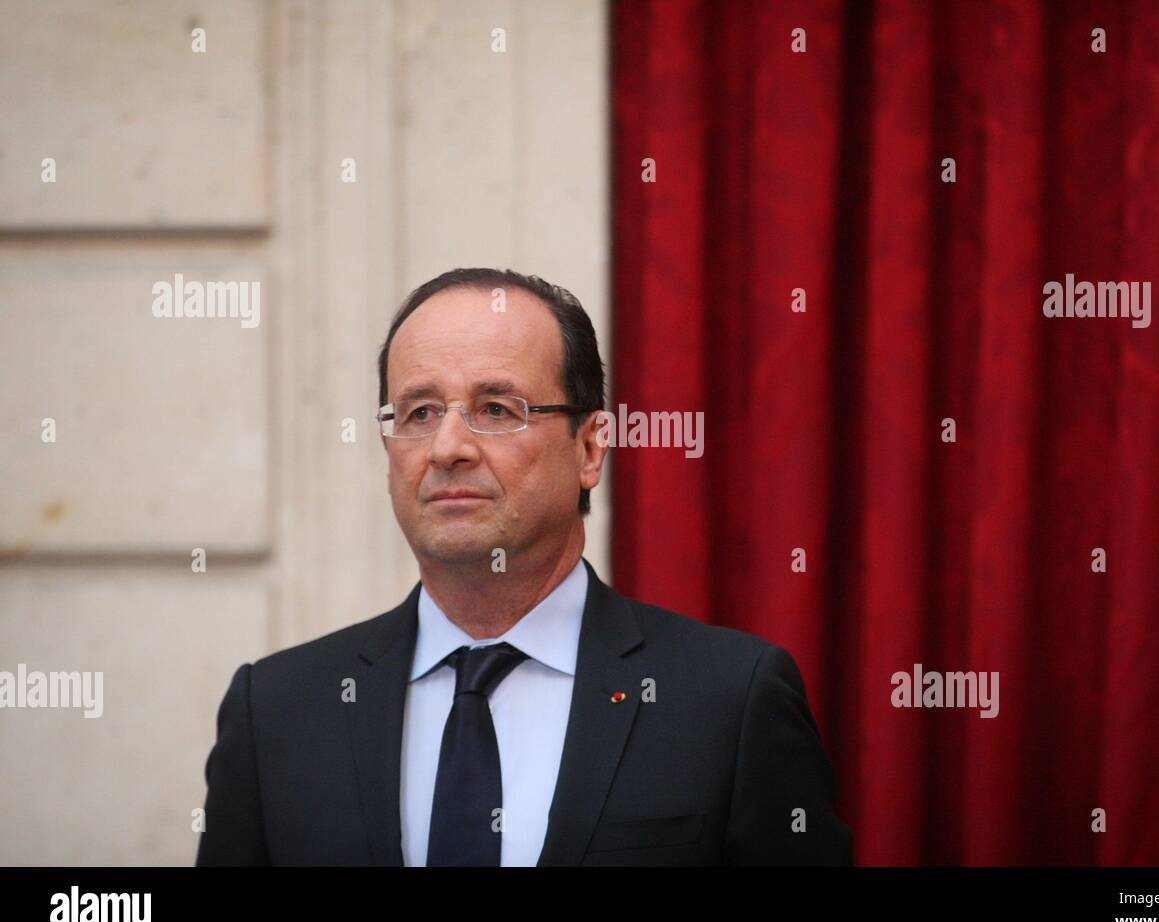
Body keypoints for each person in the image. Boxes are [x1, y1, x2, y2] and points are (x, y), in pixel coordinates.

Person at [195, 268, 853, 866]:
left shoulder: (729, 701)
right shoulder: (278, 711)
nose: (448, 447)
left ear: (591, 448)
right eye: (419, 413)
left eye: (497, 410)